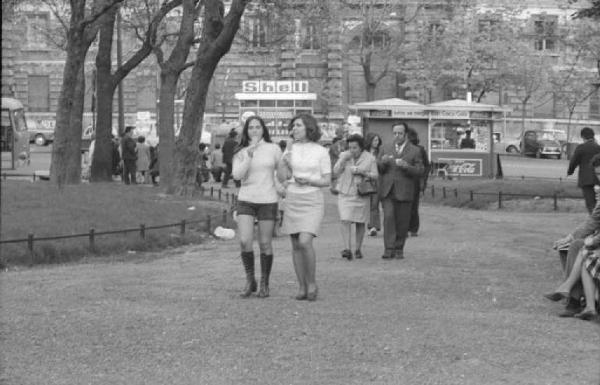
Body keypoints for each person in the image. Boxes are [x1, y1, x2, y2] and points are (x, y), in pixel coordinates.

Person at [277, 113, 331, 301]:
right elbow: (282, 176)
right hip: (293, 198)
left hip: (312, 199)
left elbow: (327, 180)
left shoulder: (321, 151)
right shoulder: (289, 149)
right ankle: (301, 286)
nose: (294, 129)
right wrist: (287, 155)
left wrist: (308, 180)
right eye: (293, 126)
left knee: (305, 241)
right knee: (295, 244)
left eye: (298, 125)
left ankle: (312, 282)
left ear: (309, 127)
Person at [232, 116, 282, 298]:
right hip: (246, 199)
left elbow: (281, 172)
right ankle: (250, 279)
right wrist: (249, 155)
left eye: (257, 127)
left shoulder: (273, 149)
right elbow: (237, 175)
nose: (254, 130)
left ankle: (265, 282)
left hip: (267, 199)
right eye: (250, 128)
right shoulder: (241, 151)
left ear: (263, 130)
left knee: (265, 243)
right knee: (245, 240)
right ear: (246, 131)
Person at [377, 122, 424, 260]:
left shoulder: (415, 150)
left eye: (400, 133)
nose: (397, 136)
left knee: (402, 221)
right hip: (388, 190)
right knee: (389, 217)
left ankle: (399, 248)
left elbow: (420, 170)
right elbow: (379, 168)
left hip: (405, 191)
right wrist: (382, 162)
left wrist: (407, 166)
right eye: (395, 133)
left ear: (406, 134)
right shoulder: (385, 148)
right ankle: (388, 248)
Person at [333, 134, 378, 260]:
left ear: (361, 147)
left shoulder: (370, 158)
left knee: (360, 222)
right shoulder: (344, 156)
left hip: (361, 193)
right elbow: (335, 172)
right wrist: (342, 160)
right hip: (345, 192)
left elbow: (375, 176)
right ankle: (347, 249)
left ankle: (358, 248)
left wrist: (362, 172)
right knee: (345, 219)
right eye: (350, 147)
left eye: (355, 148)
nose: (352, 150)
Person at [567, 127, 600, 213]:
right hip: (598, 178)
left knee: (590, 203)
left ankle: (595, 223)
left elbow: (574, 161)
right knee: (597, 203)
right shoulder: (598, 148)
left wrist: (570, 172)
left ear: (583, 137)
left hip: (586, 179)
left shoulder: (581, 148)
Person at [406, 128, 430, 237]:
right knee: (408, 205)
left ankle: (413, 228)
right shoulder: (402, 149)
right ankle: (409, 227)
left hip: (415, 180)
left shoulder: (420, 150)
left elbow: (426, 165)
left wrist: (423, 180)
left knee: (413, 205)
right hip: (406, 180)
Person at [365, 133, 382, 236]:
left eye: (377, 140)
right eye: (374, 140)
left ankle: (374, 227)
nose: (376, 142)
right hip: (366, 180)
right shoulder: (364, 153)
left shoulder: (380, 152)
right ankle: (367, 225)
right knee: (367, 204)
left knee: (375, 204)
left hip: (377, 181)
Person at [329, 124, 349, 193]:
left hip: (337, 164)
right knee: (335, 178)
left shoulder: (340, 143)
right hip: (336, 164)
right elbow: (338, 153)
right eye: (343, 132)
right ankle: (334, 188)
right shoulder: (336, 144)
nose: (344, 134)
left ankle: (335, 188)